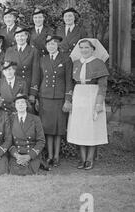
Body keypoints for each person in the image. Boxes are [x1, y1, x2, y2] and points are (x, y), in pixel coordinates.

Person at [67, 38, 109, 170]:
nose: (84, 50)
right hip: (78, 95)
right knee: (79, 127)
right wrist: (69, 99)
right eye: (82, 48)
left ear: (93, 49)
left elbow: (103, 85)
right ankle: (82, 158)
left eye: (87, 48)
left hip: (92, 95)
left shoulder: (99, 63)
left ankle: (90, 159)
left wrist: (99, 102)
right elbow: (71, 83)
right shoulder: (76, 63)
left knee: (92, 127)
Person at [36, 35, 73, 167]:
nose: (51, 46)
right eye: (49, 44)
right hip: (45, 97)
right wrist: (36, 97)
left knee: (58, 129)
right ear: (46, 47)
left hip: (59, 98)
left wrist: (68, 99)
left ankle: (56, 156)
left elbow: (69, 81)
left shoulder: (66, 59)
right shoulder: (42, 59)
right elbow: (38, 79)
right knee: (47, 128)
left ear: (58, 45)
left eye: (53, 44)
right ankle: (49, 156)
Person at [8, 94, 46, 175]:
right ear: (15, 106)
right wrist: (17, 156)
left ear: (26, 105)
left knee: (29, 170)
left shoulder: (35, 119)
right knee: (15, 170)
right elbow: (8, 141)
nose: (20, 105)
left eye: (22, 102)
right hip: (17, 154)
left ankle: (38, 162)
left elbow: (41, 141)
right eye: (18, 103)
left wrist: (29, 156)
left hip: (31, 153)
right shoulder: (10, 119)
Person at [4, 27, 40, 108]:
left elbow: (36, 73)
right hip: (12, 87)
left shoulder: (33, 51)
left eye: (22, 36)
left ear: (27, 36)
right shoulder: (9, 50)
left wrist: (33, 93)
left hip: (26, 88)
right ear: (15, 38)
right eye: (18, 36)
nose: (20, 38)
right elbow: (5, 71)